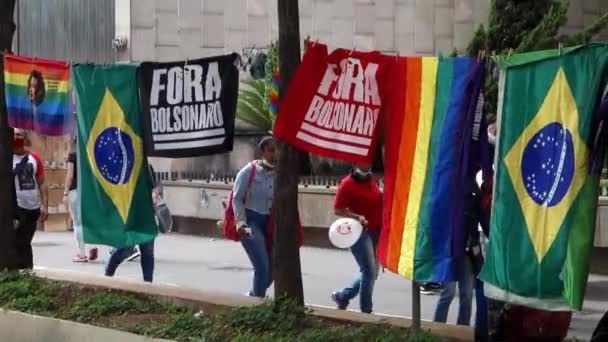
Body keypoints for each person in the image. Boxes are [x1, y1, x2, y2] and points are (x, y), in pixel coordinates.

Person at [433, 177, 488, 326]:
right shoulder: (448, 192)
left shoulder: (475, 196)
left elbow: (484, 221)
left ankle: (460, 333)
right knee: (448, 293)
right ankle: (437, 331)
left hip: (469, 251)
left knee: (467, 295)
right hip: (450, 250)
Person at [331, 163, 383, 314]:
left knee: (372, 272)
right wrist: (357, 216)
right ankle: (366, 311)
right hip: (359, 233)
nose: (366, 164)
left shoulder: (372, 179)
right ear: (355, 162)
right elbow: (337, 209)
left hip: (376, 230)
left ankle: (342, 296)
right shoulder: (347, 184)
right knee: (369, 271)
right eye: (362, 161)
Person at [232, 137, 277, 298]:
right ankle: (257, 305)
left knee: (273, 270)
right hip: (251, 223)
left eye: (277, 150)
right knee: (262, 267)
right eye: (272, 150)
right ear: (263, 151)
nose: (275, 154)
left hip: (270, 224)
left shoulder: (280, 174)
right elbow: (236, 198)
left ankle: (253, 297)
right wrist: (241, 222)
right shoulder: (249, 171)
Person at [104, 164, 159, 282]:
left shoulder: (147, 167)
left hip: (147, 215)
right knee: (126, 248)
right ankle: (108, 273)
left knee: (148, 252)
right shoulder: (125, 165)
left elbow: (155, 188)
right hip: (130, 215)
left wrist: (154, 196)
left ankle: (148, 284)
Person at [13, 129, 48, 269]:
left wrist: (44, 205)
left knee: (26, 241)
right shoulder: (5, 157)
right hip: (15, 208)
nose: (16, 137)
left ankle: (26, 272)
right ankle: (21, 270)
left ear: (25, 137)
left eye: (19, 134)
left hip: (33, 208)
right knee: (17, 241)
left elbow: (42, 182)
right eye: (14, 134)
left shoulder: (34, 158)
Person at [63, 139, 98, 263]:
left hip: (75, 191)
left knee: (77, 222)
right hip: (88, 192)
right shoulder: (91, 154)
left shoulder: (73, 155)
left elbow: (70, 175)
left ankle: (82, 254)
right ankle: (93, 246)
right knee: (88, 221)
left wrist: (65, 192)